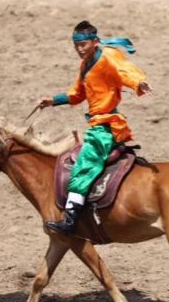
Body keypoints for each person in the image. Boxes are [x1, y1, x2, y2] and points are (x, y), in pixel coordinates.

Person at [39, 20, 152, 235]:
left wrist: (139, 83)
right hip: (97, 123)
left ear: (94, 42)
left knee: (85, 164)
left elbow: (125, 70)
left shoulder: (108, 55)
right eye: (76, 46)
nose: (80, 50)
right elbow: (77, 94)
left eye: (83, 45)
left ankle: (70, 220)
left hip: (106, 125)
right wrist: (53, 100)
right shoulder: (85, 65)